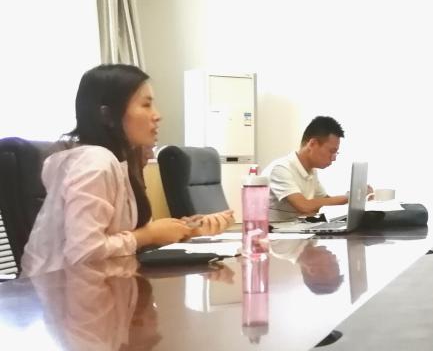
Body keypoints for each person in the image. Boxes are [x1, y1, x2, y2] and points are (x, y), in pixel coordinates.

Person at [22, 65, 232, 277]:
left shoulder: (119, 163)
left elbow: (123, 238)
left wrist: (182, 229)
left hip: (104, 284)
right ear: (107, 115)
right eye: (146, 105)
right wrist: (148, 235)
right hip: (60, 288)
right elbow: (83, 253)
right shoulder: (95, 163)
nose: (157, 115)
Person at [263, 116, 367, 222]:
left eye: (336, 153)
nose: (334, 158)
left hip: (298, 228)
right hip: (277, 231)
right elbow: (304, 206)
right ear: (312, 144)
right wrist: (350, 197)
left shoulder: (311, 171)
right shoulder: (280, 169)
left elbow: (327, 201)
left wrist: (357, 197)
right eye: (332, 151)